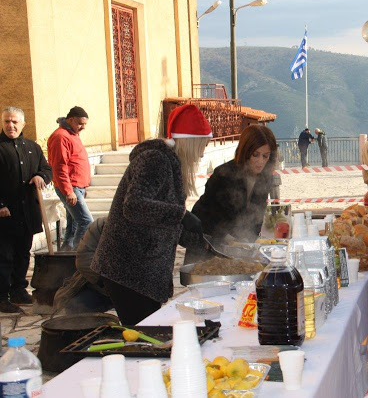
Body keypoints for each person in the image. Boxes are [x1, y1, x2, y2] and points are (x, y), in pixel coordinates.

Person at [91, 104, 210, 325]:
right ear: (189, 141)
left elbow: (161, 218)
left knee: (147, 333)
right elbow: (134, 206)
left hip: (142, 270)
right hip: (128, 269)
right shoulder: (155, 160)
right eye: (201, 145)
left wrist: (204, 243)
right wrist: (182, 214)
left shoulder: (170, 164)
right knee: (144, 336)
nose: (202, 153)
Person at [187, 125, 277, 264]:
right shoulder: (223, 175)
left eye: (265, 156)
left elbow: (256, 216)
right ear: (245, 152)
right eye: (255, 155)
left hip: (238, 252)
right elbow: (205, 216)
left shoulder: (265, 179)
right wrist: (228, 238)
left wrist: (249, 241)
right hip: (207, 250)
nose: (261, 161)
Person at [0, 107, 52, 313]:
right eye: (6, 122)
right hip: (5, 215)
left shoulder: (32, 147)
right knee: (4, 257)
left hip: (27, 212)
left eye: (14, 122)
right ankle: (2, 297)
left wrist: (41, 176)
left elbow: (46, 169)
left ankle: (19, 290)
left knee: (23, 253)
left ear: (23, 124)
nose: (10, 125)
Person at [47, 106, 93, 250]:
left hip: (77, 187)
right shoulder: (61, 136)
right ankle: (79, 256)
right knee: (86, 222)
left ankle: (66, 254)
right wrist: (69, 191)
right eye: (80, 123)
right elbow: (59, 167)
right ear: (71, 119)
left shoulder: (72, 134)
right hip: (70, 187)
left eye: (85, 124)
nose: (83, 127)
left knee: (73, 225)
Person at [52, 217, 113, 314]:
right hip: (102, 285)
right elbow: (84, 260)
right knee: (74, 306)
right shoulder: (100, 225)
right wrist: (106, 282)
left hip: (135, 290)